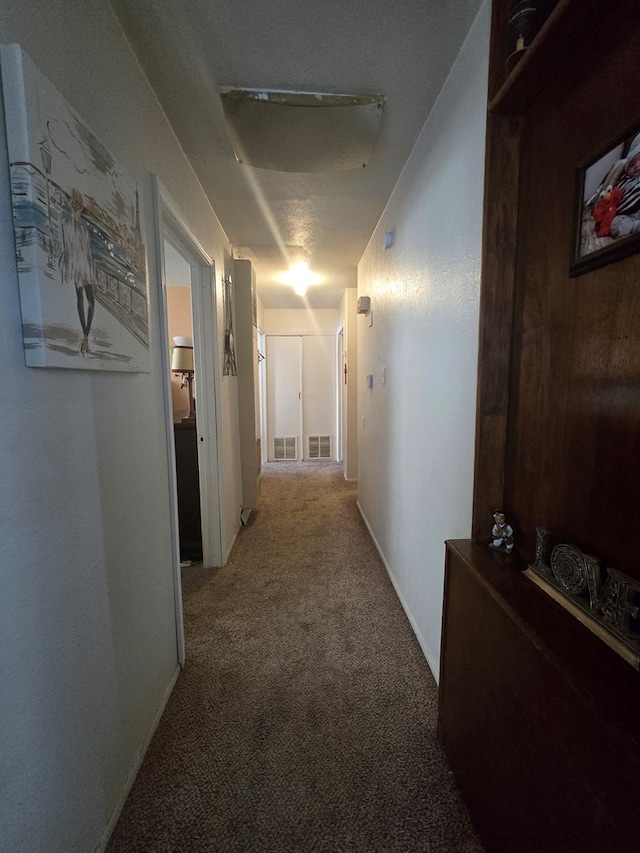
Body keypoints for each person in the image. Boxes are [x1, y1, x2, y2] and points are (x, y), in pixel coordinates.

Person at [59, 188, 95, 355]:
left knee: (89, 301)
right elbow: (68, 247)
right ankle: (85, 337)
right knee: (82, 300)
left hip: (83, 267)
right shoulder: (70, 224)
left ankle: (86, 336)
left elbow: (86, 252)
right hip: (78, 266)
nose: (77, 207)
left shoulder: (80, 228)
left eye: (78, 205)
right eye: (75, 204)